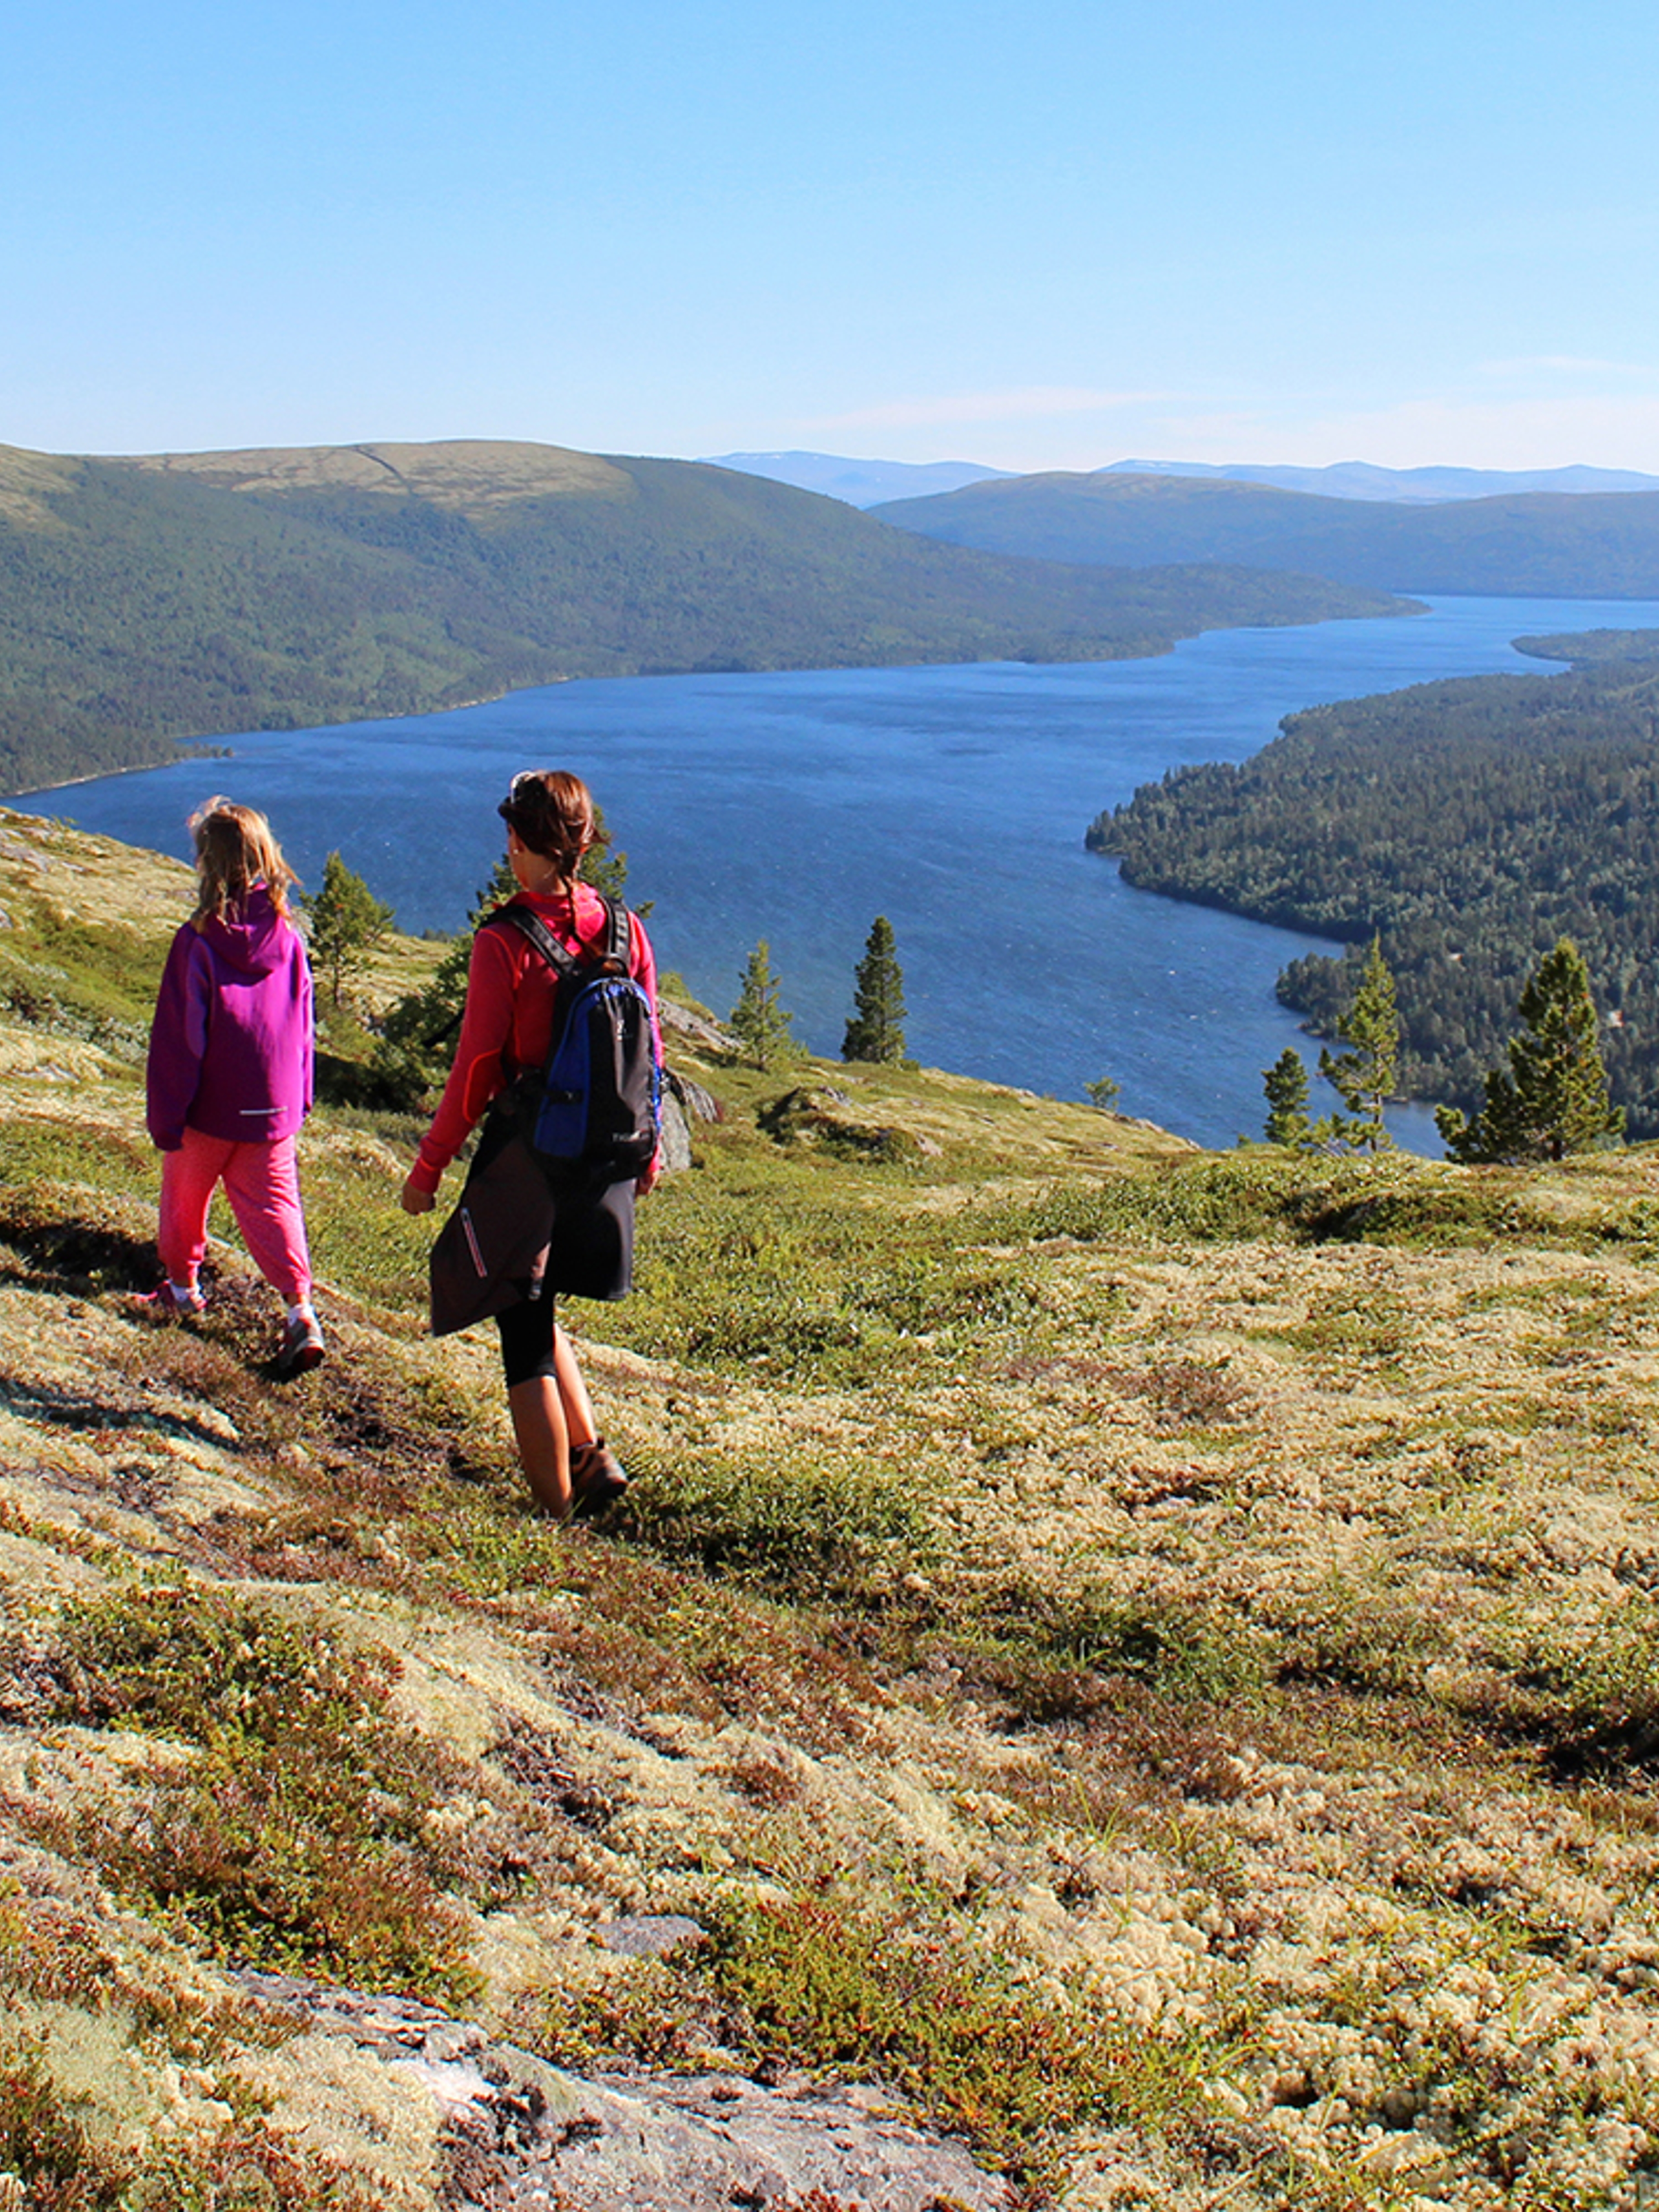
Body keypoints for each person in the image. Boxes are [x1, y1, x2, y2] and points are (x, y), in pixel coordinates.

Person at [400, 771, 660, 1520]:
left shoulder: (505, 940)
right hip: (607, 1157)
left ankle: (554, 1519)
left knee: (523, 1334)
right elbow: (654, 1050)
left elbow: (477, 1071)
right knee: (538, 1307)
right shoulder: (622, 926)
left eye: (510, 836)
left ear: (521, 840)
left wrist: (428, 1168)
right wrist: (649, 1153)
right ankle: (591, 1455)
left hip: (532, 1157)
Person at [145, 798, 324, 1377]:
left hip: (207, 1109)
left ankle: (182, 1289)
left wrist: (167, 1117)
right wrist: (300, 1098)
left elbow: (181, 1041)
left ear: (208, 864)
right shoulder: (289, 938)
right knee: (276, 1207)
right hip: (272, 1110)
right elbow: (302, 1028)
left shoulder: (196, 943)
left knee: (184, 1200)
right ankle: (300, 1312)